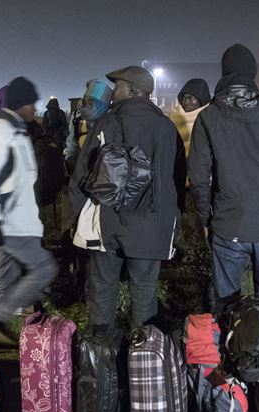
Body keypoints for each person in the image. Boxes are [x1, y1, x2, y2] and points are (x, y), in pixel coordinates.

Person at [69, 65, 186, 328]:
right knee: (144, 291)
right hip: (151, 222)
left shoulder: (106, 123)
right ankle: (142, 357)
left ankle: (99, 358)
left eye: (118, 86)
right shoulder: (166, 127)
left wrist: (77, 217)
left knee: (102, 288)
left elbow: (81, 174)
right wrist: (173, 217)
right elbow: (176, 178)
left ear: (133, 91)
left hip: (107, 220)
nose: (113, 92)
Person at [188, 44, 259, 314]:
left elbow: (199, 177)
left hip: (228, 222)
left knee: (226, 301)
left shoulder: (208, 117)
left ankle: (230, 348)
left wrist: (204, 218)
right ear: (253, 73)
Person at [0, 77, 58, 350]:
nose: (36, 109)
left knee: (6, 274)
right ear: (21, 104)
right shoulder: (1, 133)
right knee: (44, 269)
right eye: (32, 103)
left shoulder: (15, 130)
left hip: (13, 220)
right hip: (10, 222)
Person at [64, 80, 112, 177]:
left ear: (103, 103)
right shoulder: (77, 117)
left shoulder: (110, 119)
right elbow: (72, 141)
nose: (87, 103)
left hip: (101, 172)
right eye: (86, 98)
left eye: (92, 100)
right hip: (78, 165)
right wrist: (69, 158)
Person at [169, 78, 210, 156]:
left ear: (202, 100)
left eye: (192, 98)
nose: (186, 101)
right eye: (184, 98)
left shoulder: (210, 120)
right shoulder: (172, 117)